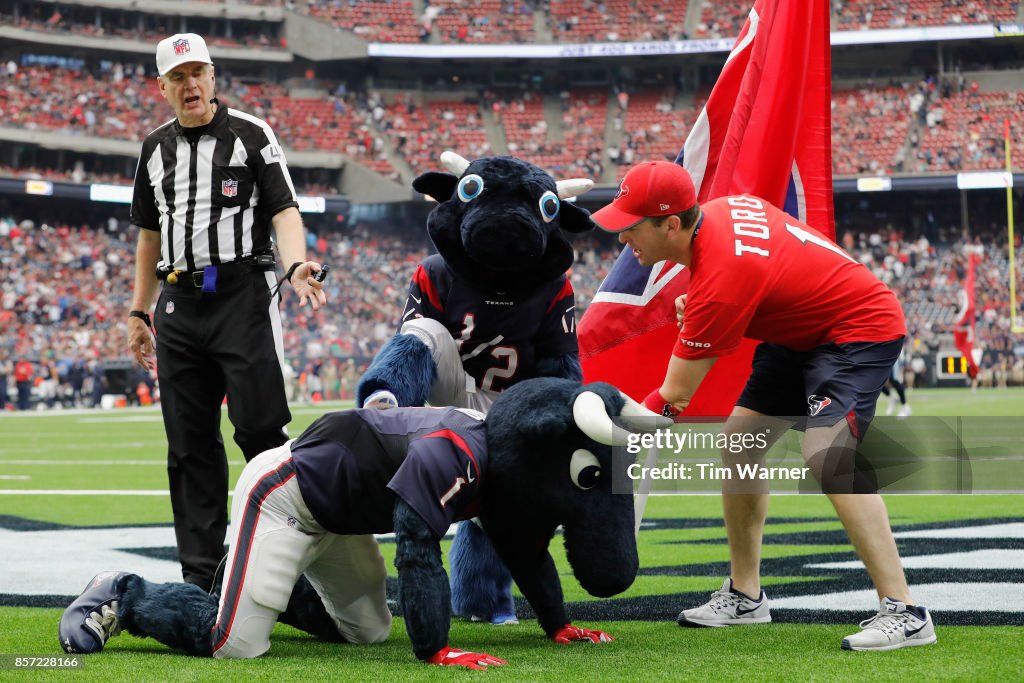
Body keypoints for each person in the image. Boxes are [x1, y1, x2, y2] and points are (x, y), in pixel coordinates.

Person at [591, 161, 936, 652]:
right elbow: (766, 258)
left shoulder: (723, 275)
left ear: (671, 224)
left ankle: (906, 611)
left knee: (827, 455)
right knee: (739, 445)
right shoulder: (716, 216)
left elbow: (673, 397)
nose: (622, 238)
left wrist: (610, 435)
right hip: (799, 332)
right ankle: (746, 596)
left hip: (857, 329)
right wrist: (720, 299)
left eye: (631, 226)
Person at [126, 33, 328, 593]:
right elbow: (147, 234)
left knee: (262, 430)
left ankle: (285, 564)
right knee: (189, 443)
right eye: (178, 77)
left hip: (243, 294)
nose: (190, 85)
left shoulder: (251, 134)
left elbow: (285, 210)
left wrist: (295, 266)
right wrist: (138, 312)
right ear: (162, 86)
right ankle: (200, 578)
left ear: (213, 77)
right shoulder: (153, 148)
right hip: (178, 303)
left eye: (199, 74)